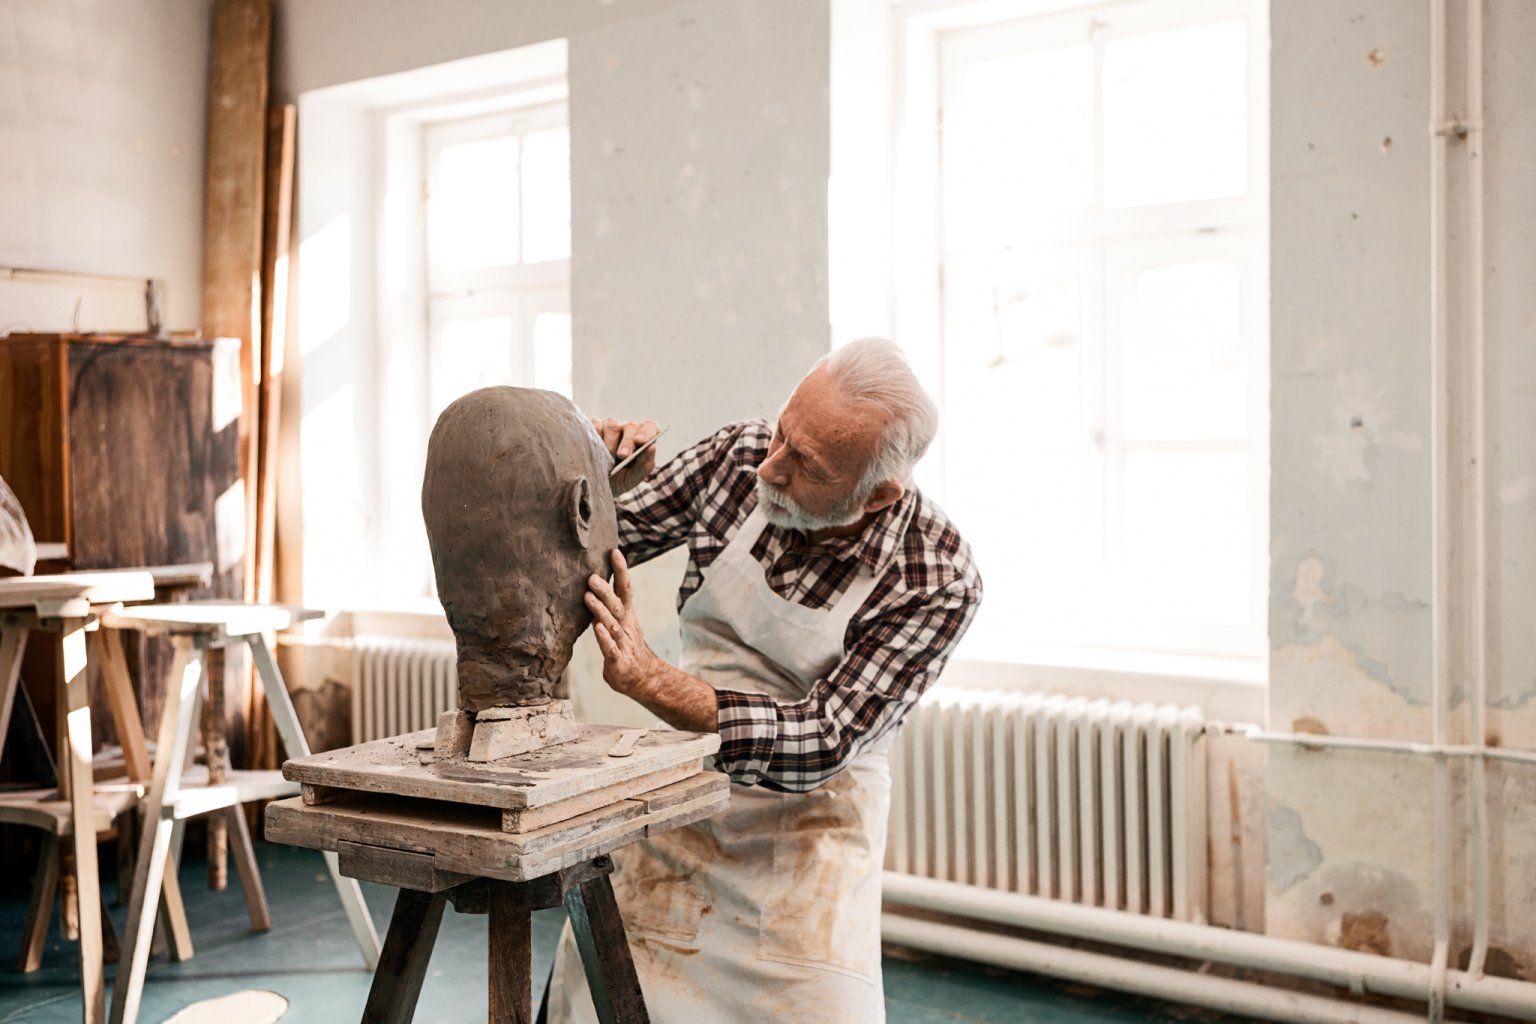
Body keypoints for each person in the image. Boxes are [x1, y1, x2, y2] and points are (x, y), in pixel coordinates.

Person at [547, 337, 982, 1023]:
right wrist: (595, 474)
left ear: (879, 494)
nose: (770, 469)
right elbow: (588, 546)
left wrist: (654, 683)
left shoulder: (935, 576)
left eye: (806, 464)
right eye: (782, 431)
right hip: (688, 797)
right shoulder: (738, 459)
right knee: (603, 996)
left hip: (813, 831)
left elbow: (821, 740)